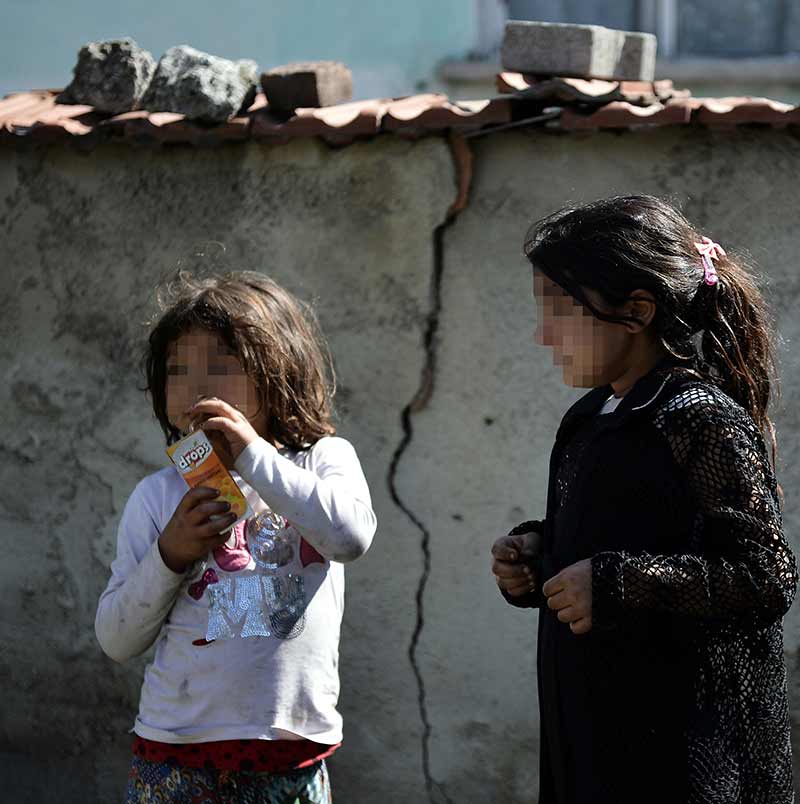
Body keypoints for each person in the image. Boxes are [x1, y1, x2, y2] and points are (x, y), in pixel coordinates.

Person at [491, 195, 797, 804]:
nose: (542, 333)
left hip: (678, 754)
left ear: (635, 310)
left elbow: (764, 577)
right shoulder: (588, 418)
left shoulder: (699, 418)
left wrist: (610, 583)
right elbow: (616, 530)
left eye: (559, 310)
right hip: (593, 737)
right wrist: (537, 553)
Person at [96, 269, 377, 803]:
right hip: (176, 755)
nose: (197, 387)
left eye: (221, 366)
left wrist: (253, 456)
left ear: (278, 375)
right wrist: (170, 554)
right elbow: (116, 638)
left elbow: (350, 537)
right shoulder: (156, 498)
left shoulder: (321, 460)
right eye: (177, 370)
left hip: (289, 754)